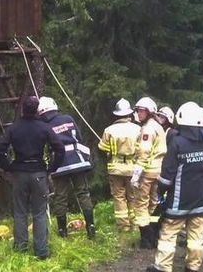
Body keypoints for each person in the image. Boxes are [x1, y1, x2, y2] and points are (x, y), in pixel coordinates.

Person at [146, 102, 203, 272]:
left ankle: (162, 268)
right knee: (196, 237)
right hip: (200, 200)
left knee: (168, 234)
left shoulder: (177, 143)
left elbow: (167, 175)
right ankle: (192, 267)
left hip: (178, 202)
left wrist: (160, 193)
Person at [0, 96, 65, 260]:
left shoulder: (14, 128)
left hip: (19, 172)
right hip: (39, 172)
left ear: (22, 110)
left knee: (20, 212)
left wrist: (8, 166)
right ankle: (41, 252)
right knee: (39, 213)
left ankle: (20, 249)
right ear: (37, 110)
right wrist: (52, 168)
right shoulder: (44, 128)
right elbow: (59, 149)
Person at [37, 96, 95, 239]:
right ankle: (90, 226)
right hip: (77, 160)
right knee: (83, 193)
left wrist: (48, 166)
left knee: (60, 197)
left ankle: (62, 231)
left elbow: (43, 146)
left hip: (59, 163)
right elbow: (79, 137)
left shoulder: (44, 126)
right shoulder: (68, 118)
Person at [98, 98, 141, 232]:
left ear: (116, 114)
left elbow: (102, 147)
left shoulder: (109, 130)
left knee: (119, 197)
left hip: (115, 169)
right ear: (129, 113)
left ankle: (123, 226)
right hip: (133, 169)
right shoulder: (138, 129)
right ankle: (136, 224)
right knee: (134, 196)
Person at [132, 96, 167, 248]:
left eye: (141, 111)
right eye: (138, 110)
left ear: (149, 112)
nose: (139, 113)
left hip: (147, 171)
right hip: (158, 171)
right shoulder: (158, 126)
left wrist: (136, 174)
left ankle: (145, 239)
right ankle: (154, 234)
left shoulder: (148, 128)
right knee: (154, 203)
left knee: (141, 204)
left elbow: (144, 151)